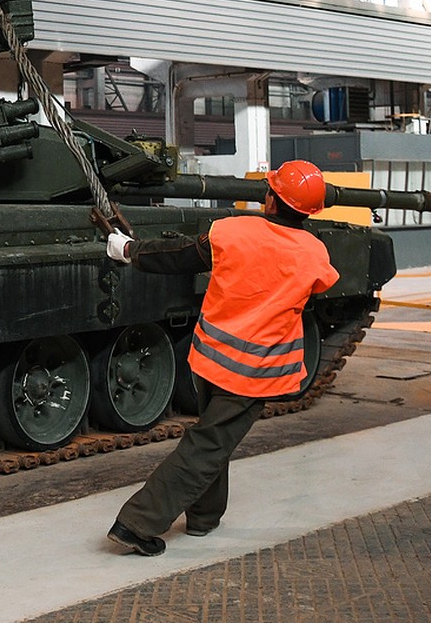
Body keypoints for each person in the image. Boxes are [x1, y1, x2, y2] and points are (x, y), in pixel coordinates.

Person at [104, 160, 340, 556]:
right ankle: (135, 524)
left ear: (270, 198)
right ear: (310, 211)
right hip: (254, 372)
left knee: (213, 439)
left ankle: (204, 517)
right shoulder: (314, 254)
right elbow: (318, 286)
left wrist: (129, 250)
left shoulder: (233, 230)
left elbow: (178, 256)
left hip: (211, 360)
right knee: (209, 444)